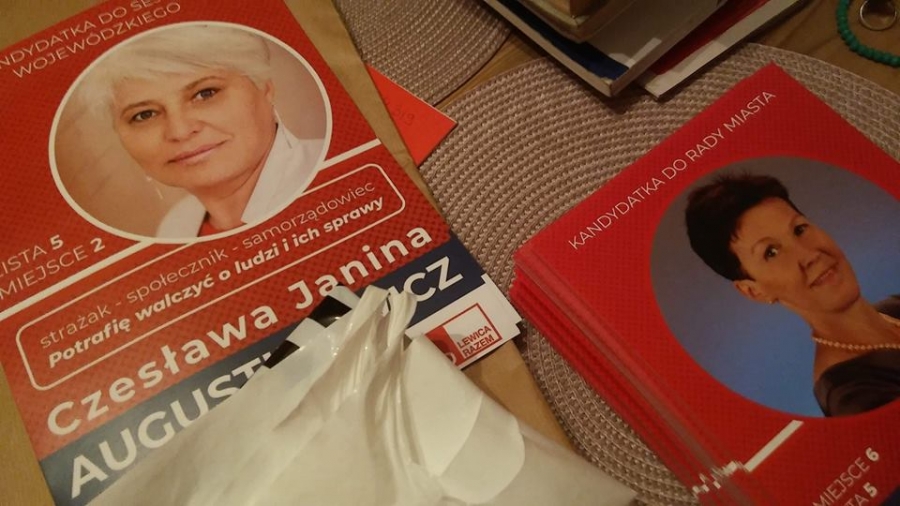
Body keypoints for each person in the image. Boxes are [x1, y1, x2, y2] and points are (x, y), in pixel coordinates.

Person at [75, 24, 324, 238]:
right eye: (145, 115)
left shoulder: (327, 174)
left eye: (205, 93)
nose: (180, 131)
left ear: (265, 89)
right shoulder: (174, 226)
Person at [684, 173, 900, 417]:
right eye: (771, 252)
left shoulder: (894, 306)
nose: (809, 255)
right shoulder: (855, 394)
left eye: (799, 229)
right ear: (754, 291)